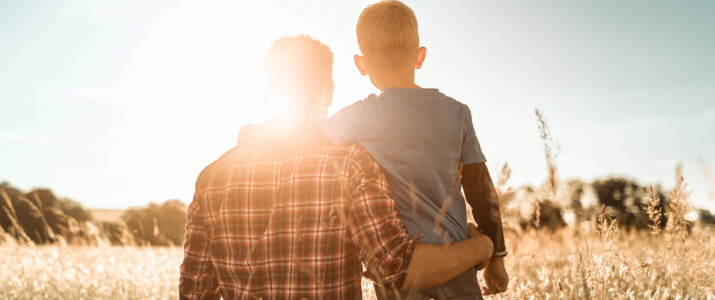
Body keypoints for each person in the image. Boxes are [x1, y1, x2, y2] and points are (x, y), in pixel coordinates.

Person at [179, 35, 493, 300]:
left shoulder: (211, 179)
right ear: (328, 90)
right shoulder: (350, 166)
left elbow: (194, 293)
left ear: (266, 93)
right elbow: (400, 272)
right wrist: (481, 246)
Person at [320, 1, 509, 298]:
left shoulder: (359, 117)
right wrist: (496, 257)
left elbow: (308, 140)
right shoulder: (457, 113)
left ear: (361, 64)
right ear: (419, 57)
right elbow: (481, 191)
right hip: (459, 265)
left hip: (403, 274)